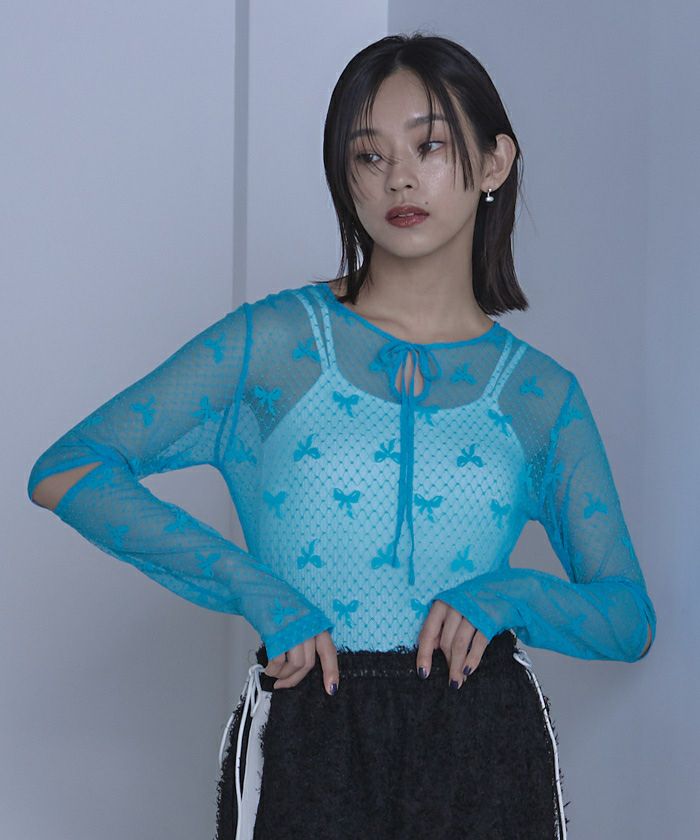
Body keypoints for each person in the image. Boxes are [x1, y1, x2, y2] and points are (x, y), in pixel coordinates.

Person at [28, 32, 656, 840]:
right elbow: (70, 468)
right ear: (345, 176)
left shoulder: (541, 394)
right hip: (309, 732)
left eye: (430, 145)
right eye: (368, 155)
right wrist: (254, 589)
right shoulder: (275, 341)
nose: (399, 177)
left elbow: (627, 617)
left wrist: (510, 595)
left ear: (494, 162)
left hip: (485, 744)